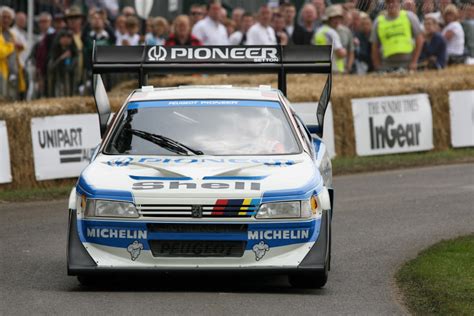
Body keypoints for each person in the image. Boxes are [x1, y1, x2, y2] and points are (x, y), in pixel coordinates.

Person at [370, 0, 424, 71]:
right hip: (386, 65)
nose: (391, 4)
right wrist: (377, 66)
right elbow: (374, 47)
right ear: (385, 4)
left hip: (407, 64)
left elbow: (419, 40)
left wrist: (414, 61)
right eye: (388, 2)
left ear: (399, 2)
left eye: (394, 2)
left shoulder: (409, 16)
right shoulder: (378, 22)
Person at [0, 6, 26, 100]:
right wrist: (13, 46)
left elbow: (20, 49)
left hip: (12, 73)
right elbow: (1, 52)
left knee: (10, 100)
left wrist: (20, 47)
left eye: (8, 18)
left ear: (12, 20)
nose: (6, 20)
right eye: (4, 17)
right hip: (2, 71)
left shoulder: (12, 34)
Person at [313, 5, 347, 74]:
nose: (337, 21)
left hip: (319, 69)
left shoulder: (319, 31)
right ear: (328, 19)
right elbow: (340, 53)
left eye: (339, 18)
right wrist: (345, 51)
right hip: (334, 70)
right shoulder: (332, 32)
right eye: (334, 18)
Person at [47, 29, 78, 97]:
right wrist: (61, 58)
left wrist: (71, 62)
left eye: (68, 37)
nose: (66, 39)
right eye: (64, 37)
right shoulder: (55, 50)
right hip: (57, 76)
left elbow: (75, 62)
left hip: (70, 76)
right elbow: (51, 66)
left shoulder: (73, 50)